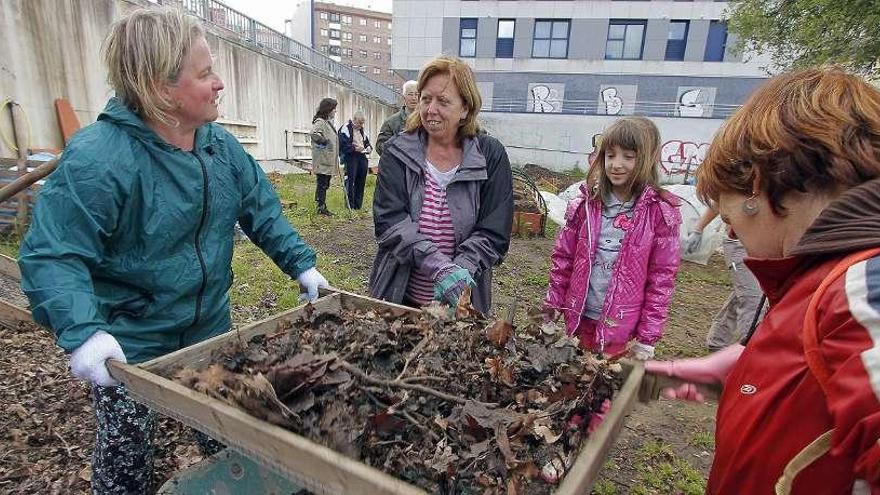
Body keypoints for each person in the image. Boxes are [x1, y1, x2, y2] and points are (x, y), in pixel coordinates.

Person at [17, 8, 329, 494]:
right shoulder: (100, 159)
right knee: (127, 458)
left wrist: (302, 265)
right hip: (131, 347)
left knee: (226, 442)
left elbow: (262, 212)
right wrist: (82, 333)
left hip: (208, 333)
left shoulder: (220, 149)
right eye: (205, 74)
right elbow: (54, 254)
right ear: (160, 89)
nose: (220, 82)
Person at [646, 68, 880, 493]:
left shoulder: (863, 286)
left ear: (755, 185)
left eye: (727, 213)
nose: (731, 232)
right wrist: (750, 369)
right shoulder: (827, 275)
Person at [369, 56, 513, 315]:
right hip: (400, 298)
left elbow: (494, 231)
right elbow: (390, 223)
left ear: (466, 109)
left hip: (461, 303)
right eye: (426, 99)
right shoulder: (397, 152)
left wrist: (462, 270)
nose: (430, 109)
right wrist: (439, 267)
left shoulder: (490, 156)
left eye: (443, 101)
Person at [543, 117, 682, 359]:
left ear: (647, 159)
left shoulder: (659, 213)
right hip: (579, 317)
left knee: (606, 387)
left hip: (621, 327)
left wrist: (648, 337)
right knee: (571, 381)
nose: (617, 164)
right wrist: (552, 308)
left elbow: (661, 279)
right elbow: (563, 261)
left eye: (628, 157)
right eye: (610, 155)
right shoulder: (585, 205)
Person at [685, 208, 765, 350]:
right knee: (752, 298)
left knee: (745, 291)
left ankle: (718, 339)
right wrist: (698, 229)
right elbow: (719, 198)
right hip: (740, 243)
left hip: (764, 244)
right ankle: (748, 350)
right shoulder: (744, 186)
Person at [310, 97, 340, 216]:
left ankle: (321, 205)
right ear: (328, 109)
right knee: (322, 183)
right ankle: (320, 207)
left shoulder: (327, 122)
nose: (335, 111)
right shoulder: (320, 122)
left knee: (325, 183)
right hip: (323, 159)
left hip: (327, 159)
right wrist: (325, 141)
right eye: (334, 109)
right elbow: (314, 133)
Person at [338, 110, 373, 209]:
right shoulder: (345, 128)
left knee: (361, 181)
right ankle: (350, 206)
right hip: (351, 157)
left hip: (362, 156)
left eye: (362, 124)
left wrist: (369, 148)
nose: (360, 125)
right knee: (350, 181)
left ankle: (358, 206)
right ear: (354, 119)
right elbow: (342, 145)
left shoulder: (362, 130)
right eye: (359, 123)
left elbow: (366, 142)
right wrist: (354, 148)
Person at [376, 79, 418, 156]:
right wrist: (398, 138)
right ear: (404, 97)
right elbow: (380, 148)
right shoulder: (391, 122)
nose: (414, 98)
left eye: (417, 94)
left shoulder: (427, 120)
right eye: (410, 94)